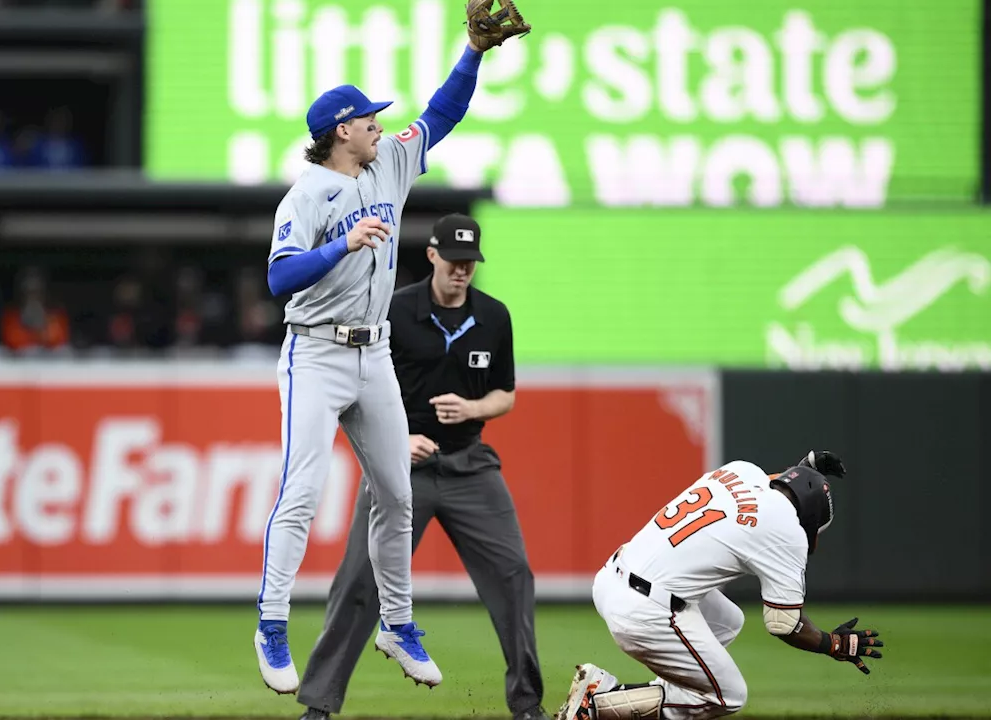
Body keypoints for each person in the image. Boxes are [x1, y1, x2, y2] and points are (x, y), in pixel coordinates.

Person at [254, 7, 531, 697]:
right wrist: (339, 245)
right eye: (370, 120)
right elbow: (278, 278)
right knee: (302, 492)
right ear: (342, 130)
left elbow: (443, 112)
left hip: (371, 352)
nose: (382, 125)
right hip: (315, 352)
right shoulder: (307, 195)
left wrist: (473, 52)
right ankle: (271, 623)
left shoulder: (391, 161)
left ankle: (397, 624)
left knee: (397, 496)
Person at [295, 214, 547, 720]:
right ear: (431, 255)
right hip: (399, 467)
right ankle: (319, 706)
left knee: (514, 575)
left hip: (470, 463)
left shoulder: (494, 316)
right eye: (453, 260)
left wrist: (474, 409)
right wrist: (393, 441)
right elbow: (353, 387)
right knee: (359, 582)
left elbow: (505, 394)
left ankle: (527, 705)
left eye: (470, 262)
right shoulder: (394, 310)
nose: (462, 271)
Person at [554, 451, 886, 720]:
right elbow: (784, 624)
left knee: (727, 621)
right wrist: (832, 644)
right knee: (728, 696)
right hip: (645, 611)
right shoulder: (789, 531)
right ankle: (596, 705)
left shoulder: (742, 470)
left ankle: (644, 699)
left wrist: (804, 468)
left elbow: (780, 485)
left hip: (614, 576)